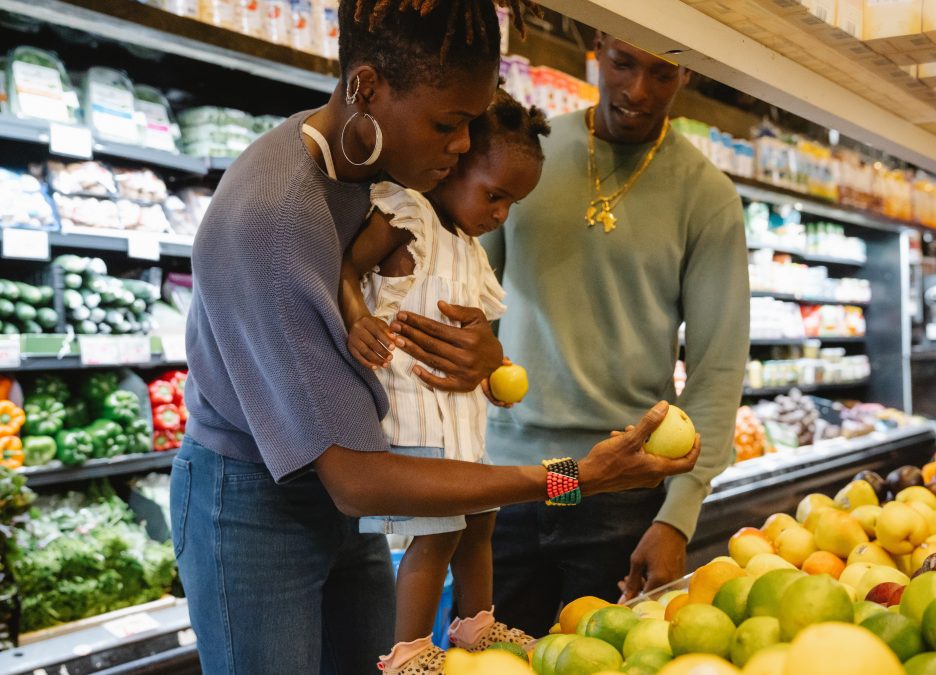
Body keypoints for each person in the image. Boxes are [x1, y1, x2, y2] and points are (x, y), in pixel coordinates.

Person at [172, 1, 699, 672]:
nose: (460, 149)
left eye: (471, 126)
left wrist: (484, 358)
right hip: (253, 505)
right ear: (367, 88)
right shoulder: (277, 220)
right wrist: (574, 480)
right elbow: (358, 481)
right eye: (449, 125)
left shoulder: (389, 163)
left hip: (345, 490)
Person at [483, 33, 750, 635]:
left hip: (621, 491)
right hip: (512, 480)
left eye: (662, 74)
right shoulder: (532, 152)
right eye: (623, 64)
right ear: (597, 49)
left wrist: (678, 516)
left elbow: (717, 369)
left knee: (603, 662)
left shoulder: (707, 196)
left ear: (688, 76)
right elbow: (473, 299)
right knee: (485, 659)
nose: (636, 91)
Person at [339, 89, 549, 673]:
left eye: (512, 204)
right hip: (414, 413)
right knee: (435, 536)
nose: (500, 214)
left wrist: (493, 370)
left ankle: (476, 625)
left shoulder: (472, 253)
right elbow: (345, 267)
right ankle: (408, 653)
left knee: (482, 521)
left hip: (462, 424)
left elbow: (476, 344)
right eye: (495, 195)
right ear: (453, 162)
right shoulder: (409, 215)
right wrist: (359, 320)